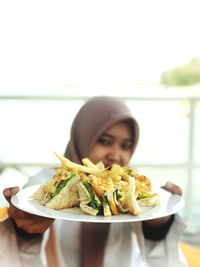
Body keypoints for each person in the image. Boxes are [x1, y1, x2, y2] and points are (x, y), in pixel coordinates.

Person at [1, 96, 188, 267]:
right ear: (83, 137)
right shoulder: (42, 187)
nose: (116, 155)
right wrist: (24, 233)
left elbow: (166, 262)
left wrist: (160, 226)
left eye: (126, 146)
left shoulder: (134, 192)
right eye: (105, 141)